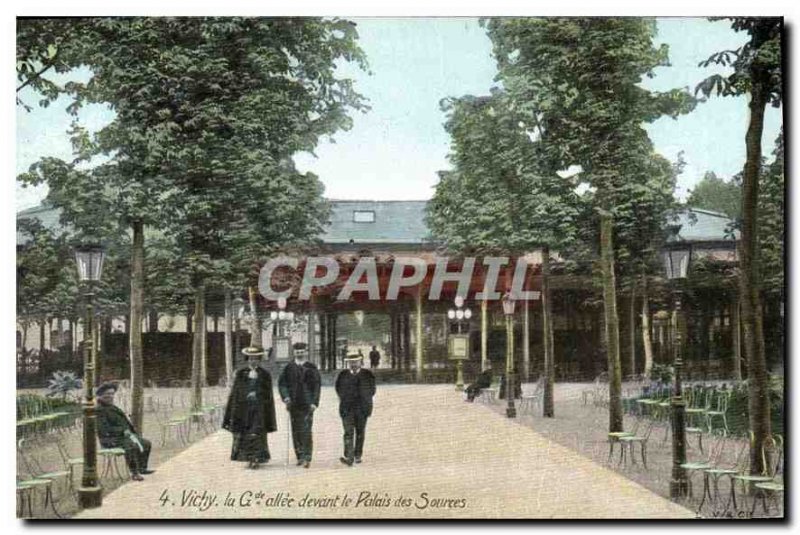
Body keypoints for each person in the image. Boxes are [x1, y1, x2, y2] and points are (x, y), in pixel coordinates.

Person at [222, 346, 278, 469]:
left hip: (259, 410)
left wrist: (257, 393)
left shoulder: (264, 375)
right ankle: (248, 457)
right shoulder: (241, 374)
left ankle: (256, 458)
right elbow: (236, 392)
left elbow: (268, 394)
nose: (253, 361)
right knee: (246, 434)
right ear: (247, 359)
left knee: (257, 433)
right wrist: (246, 394)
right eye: (251, 358)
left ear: (259, 360)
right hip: (244, 410)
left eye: (256, 359)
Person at [95, 382, 154, 481]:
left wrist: (129, 432)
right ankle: (134, 473)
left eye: (112, 394)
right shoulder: (99, 410)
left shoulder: (112, 407)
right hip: (110, 440)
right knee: (131, 446)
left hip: (123, 437)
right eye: (108, 394)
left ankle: (142, 468)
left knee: (146, 443)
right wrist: (122, 431)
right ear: (100, 395)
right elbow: (104, 430)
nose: (111, 396)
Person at [278, 342, 321, 469]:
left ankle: (307, 457)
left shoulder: (311, 367)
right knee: (296, 430)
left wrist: (314, 402)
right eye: (297, 351)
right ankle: (300, 456)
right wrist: (285, 397)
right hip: (294, 404)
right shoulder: (289, 368)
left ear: (305, 352)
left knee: (306, 430)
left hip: (307, 404)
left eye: (302, 351)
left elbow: (317, 386)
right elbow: (282, 384)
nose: (300, 353)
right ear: (294, 352)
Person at [335, 354, 376, 466]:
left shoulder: (368, 375)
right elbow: (338, 388)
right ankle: (349, 456)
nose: (353, 364)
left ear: (360, 362)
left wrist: (364, 400)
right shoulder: (343, 375)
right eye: (351, 362)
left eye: (355, 362)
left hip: (362, 409)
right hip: (347, 408)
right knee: (348, 432)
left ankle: (358, 455)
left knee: (360, 432)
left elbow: (372, 390)